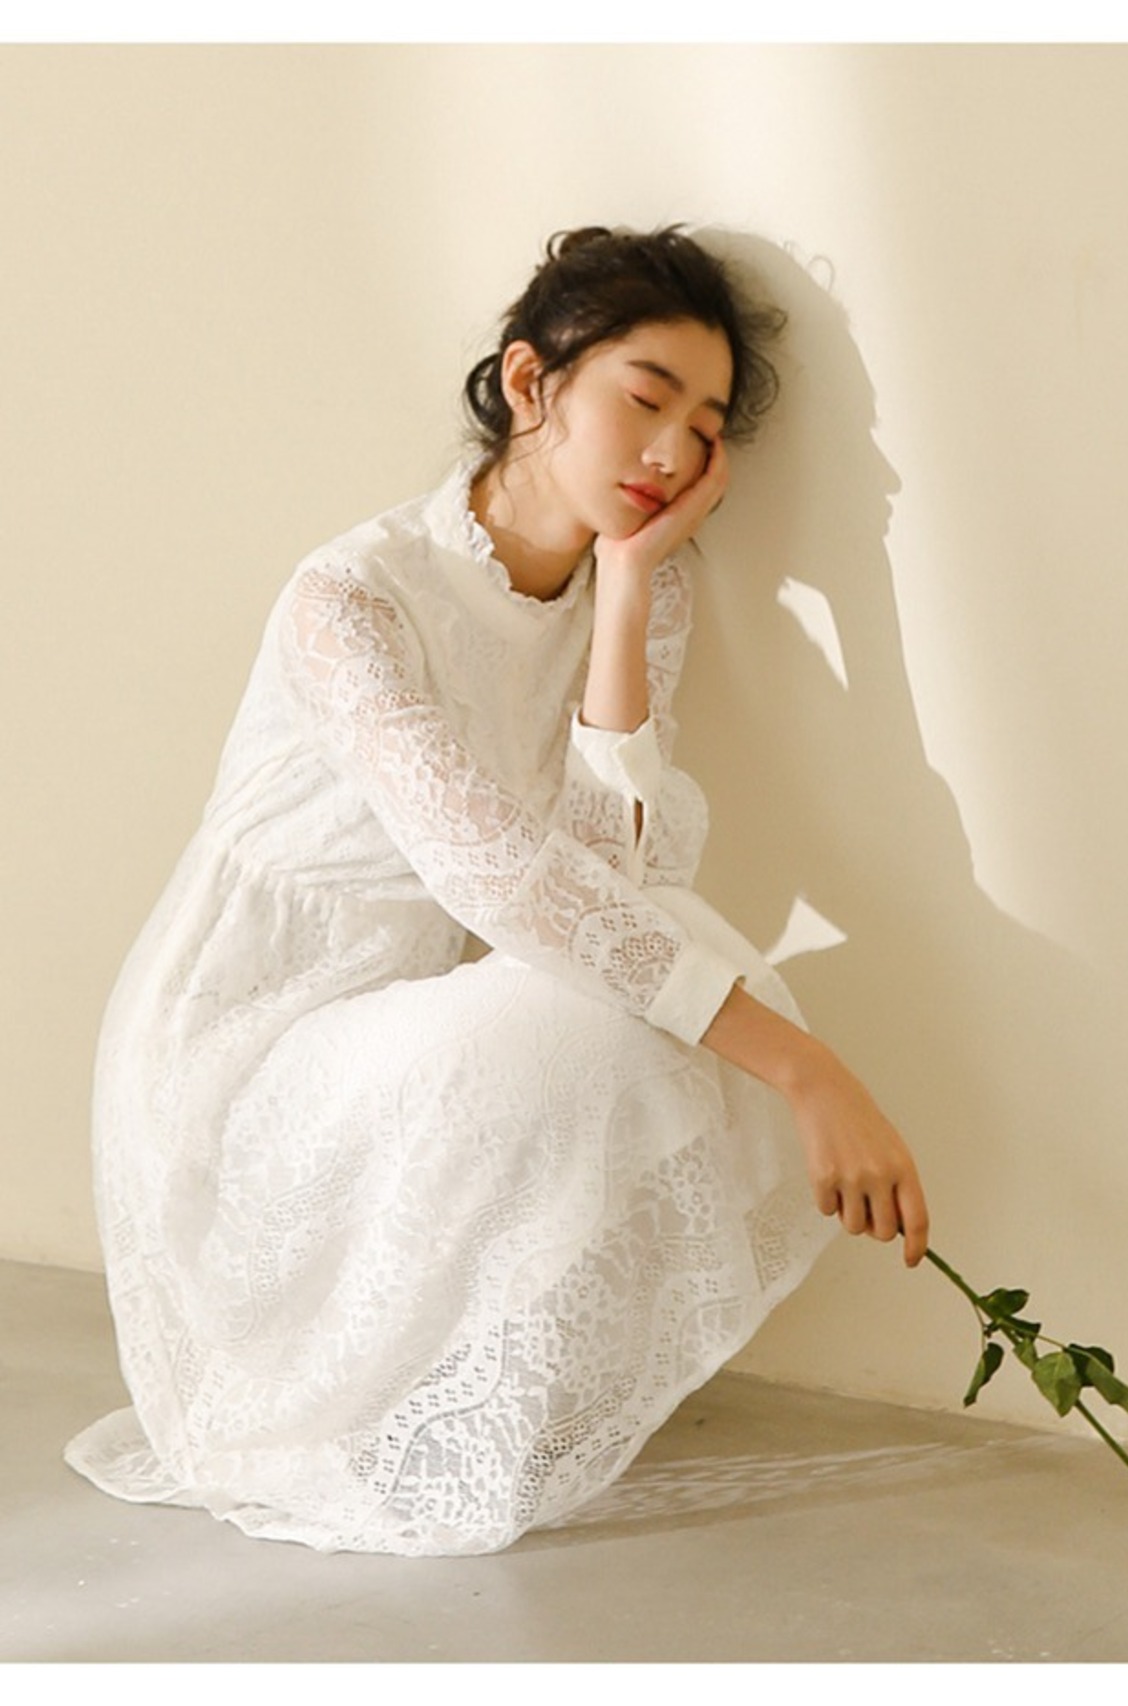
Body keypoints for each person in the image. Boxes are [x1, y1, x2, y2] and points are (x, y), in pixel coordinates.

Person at [65, 226, 928, 1557]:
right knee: (638, 994)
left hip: (406, 1013)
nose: (672, 454)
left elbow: (612, 874)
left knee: (653, 965)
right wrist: (805, 1069)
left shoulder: (638, 585)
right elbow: (509, 884)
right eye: (646, 399)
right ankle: (379, 1378)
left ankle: (467, 1376)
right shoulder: (352, 597)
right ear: (531, 382)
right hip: (242, 1053)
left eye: (705, 431)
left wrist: (628, 590)